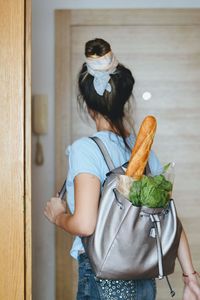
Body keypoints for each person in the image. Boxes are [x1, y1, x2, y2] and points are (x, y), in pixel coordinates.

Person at [44, 38, 200, 300]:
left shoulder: (86, 149)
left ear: (87, 103)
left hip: (103, 280)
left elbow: (84, 224)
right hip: (144, 278)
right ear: (124, 100)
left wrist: (57, 215)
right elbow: (169, 217)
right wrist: (190, 276)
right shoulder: (141, 149)